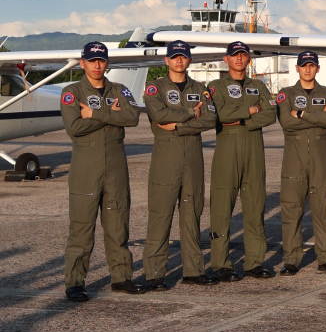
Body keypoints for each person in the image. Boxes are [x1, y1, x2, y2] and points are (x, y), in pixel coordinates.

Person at [59, 41, 145, 300]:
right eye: (92, 60)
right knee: (82, 227)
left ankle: (121, 277)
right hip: (86, 167)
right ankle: (75, 282)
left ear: (107, 63)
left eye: (102, 60)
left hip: (116, 166)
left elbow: (132, 118)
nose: (97, 65)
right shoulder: (72, 92)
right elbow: (75, 127)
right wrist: (111, 113)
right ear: (82, 62)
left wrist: (94, 113)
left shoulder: (119, 89)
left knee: (118, 224)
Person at [142, 39, 217, 289]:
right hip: (166, 156)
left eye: (183, 56)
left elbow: (210, 119)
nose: (179, 60)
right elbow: (159, 115)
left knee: (192, 212)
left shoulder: (200, 87)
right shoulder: (155, 88)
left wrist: (179, 125)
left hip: (193, 156)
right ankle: (155, 273)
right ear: (167, 60)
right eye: (174, 56)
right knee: (160, 214)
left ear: (189, 60)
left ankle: (193, 270)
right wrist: (191, 113)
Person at [207, 41, 279, 281]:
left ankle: (255, 262)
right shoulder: (215, 86)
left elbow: (271, 113)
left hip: (254, 147)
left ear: (249, 59)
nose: (239, 58)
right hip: (227, 148)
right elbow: (219, 114)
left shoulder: (258, 85)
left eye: (243, 55)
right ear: (225, 59)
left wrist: (243, 120)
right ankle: (221, 263)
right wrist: (250, 110)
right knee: (221, 208)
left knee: (255, 205)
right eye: (234, 55)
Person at [275, 51, 326, 275]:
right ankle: (291, 260)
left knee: (323, 208)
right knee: (292, 210)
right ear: (297, 68)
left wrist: (302, 114)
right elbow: (287, 122)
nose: (307, 69)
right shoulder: (286, 94)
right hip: (293, 160)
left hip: (320, 161)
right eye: (303, 65)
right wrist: (317, 116)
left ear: (318, 68)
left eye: (311, 65)